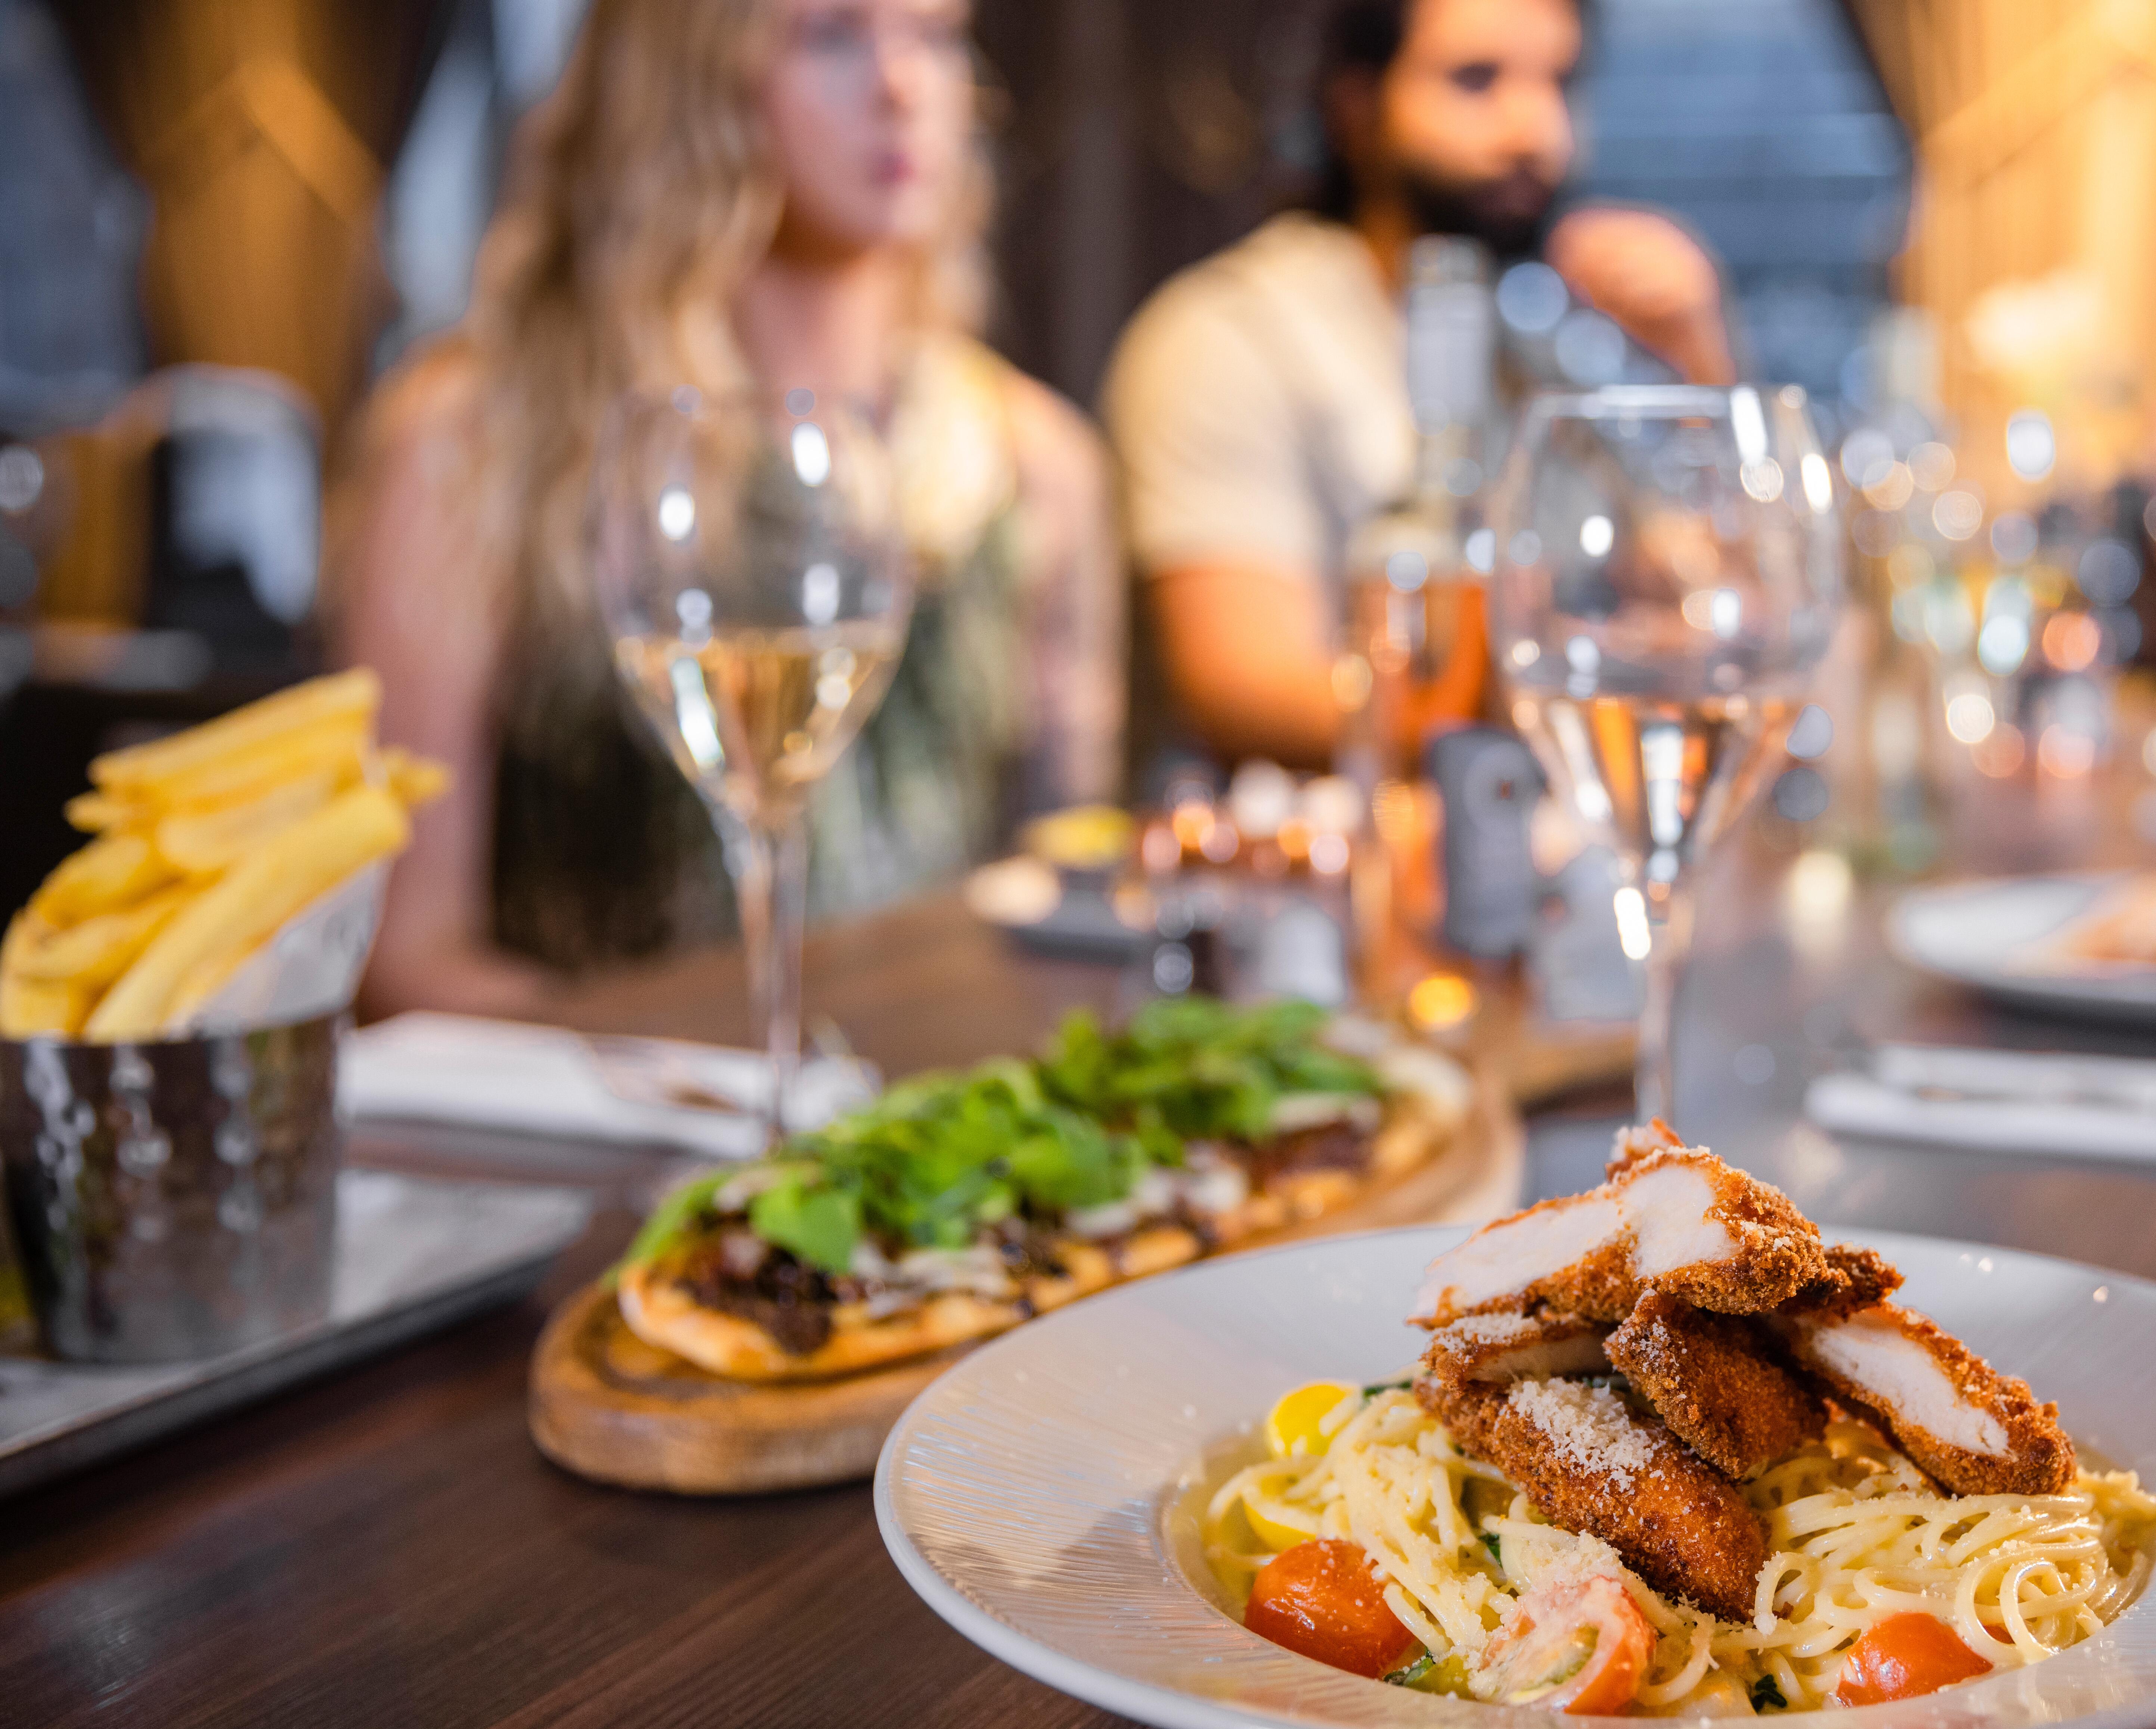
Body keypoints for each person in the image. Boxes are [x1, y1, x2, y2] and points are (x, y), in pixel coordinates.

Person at [338, 0, 1119, 1016]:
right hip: (600, 1146)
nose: (901, 88)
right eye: (832, 35)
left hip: (915, 1142)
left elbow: (1066, 911)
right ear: (685, 79)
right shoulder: (479, 440)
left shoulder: (1034, 462)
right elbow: (406, 955)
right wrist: (710, 1086)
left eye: (932, 37)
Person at [1101, 0, 1735, 768]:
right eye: (1476, 80)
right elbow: (1244, 685)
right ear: (1358, 107)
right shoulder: (1228, 337)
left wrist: (1700, 366)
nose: (1535, 132)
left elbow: (1723, 616)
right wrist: (1551, 693)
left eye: (1559, 82)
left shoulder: (1554, 343)